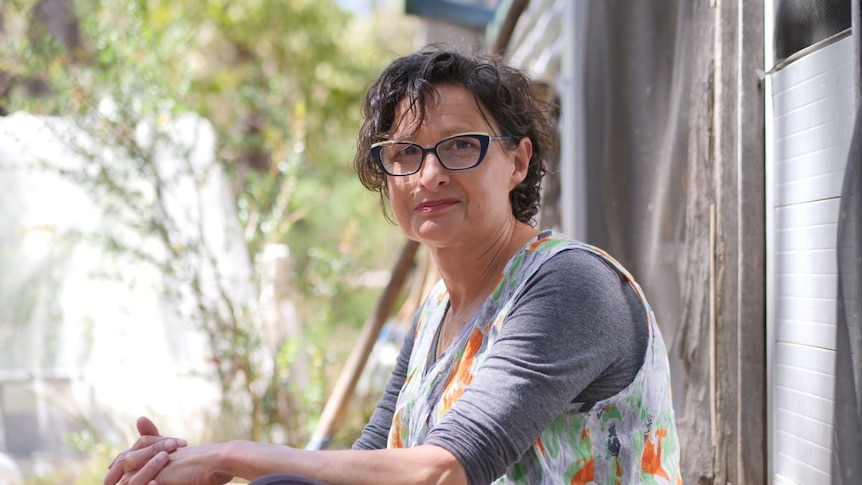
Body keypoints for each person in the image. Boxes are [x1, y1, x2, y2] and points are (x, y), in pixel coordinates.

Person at [103, 44, 681, 485]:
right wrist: (190, 467)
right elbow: (370, 466)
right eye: (405, 153)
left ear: (518, 161)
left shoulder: (569, 284)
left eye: (460, 145)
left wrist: (228, 455)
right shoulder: (437, 307)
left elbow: (440, 471)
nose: (428, 174)